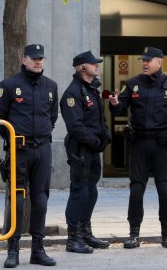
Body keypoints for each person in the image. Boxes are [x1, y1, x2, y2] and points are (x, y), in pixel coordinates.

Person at [109, 46, 167, 250]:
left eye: (149, 60)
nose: (144, 63)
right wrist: (114, 102)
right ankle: (134, 234)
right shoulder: (133, 84)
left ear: (159, 62)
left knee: (164, 189)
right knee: (136, 189)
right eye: (143, 60)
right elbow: (119, 108)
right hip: (139, 144)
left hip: (162, 143)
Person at [0, 44, 58, 268]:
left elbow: (52, 116)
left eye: (41, 58)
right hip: (19, 149)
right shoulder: (8, 86)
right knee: (17, 200)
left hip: (42, 149)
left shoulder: (50, 86)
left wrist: (42, 134)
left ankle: (38, 250)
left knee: (40, 200)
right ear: (24, 60)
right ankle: (13, 251)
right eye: (34, 58)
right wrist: (13, 138)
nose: (38, 62)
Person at [60, 51, 112, 254]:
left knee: (91, 190)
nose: (97, 66)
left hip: (93, 149)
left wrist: (105, 138)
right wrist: (95, 142)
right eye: (93, 64)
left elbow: (100, 120)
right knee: (79, 192)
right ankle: (73, 239)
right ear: (82, 68)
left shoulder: (91, 90)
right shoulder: (73, 93)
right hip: (81, 150)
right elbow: (75, 127)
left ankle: (85, 232)